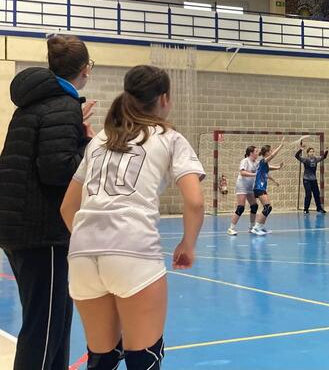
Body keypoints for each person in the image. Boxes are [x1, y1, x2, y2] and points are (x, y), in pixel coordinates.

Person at [60, 65, 205, 370]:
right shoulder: (169, 137)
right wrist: (188, 244)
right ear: (164, 99)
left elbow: (67, 207)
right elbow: (194, 201)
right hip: (132, 249)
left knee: (101, 359)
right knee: (144, 357)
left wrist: (92, 240)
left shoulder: (100, 140)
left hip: (83, 254)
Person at [0, 34, 94, 370]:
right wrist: (87, 145)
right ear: (84, 69)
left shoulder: (34, 103)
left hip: (20, 226)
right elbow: (57, 169)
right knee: (44, 327)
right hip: (41, 232)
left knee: (55, 321)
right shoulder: (63, 105)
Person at [251, 139, 285, 235]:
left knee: (268, 208)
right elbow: (272, 156)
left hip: (261, 187)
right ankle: (256, 228)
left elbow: (269, 169)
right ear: (266, 152)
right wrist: (281, 146)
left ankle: (260, 227)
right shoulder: (263, 161)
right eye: (270, 150)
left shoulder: (264, 164)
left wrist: (278, 168)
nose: (271, 152)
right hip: (259, 187)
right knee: (267, 207)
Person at [227, 146, 260, 236]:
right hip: (242, 186)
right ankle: (231, 228)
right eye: (256, 151)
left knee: (254, 206)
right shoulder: (245, 161)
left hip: (250, 187)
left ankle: (252, 227)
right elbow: (242, 173)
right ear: (251, 153)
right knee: (241, 207)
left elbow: (266, 166)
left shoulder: (256, 162)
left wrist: (277, 167)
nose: (258, 153)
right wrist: (255, 174)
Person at [295, 142, 328, 214]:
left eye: (313, 151)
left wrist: (326, 151)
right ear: (308, 153)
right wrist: (301, 149)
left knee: (317, 194)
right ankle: (306, 209)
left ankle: (319, 208)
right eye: (310, 152)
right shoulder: (305, 160)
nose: (312, 153)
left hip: (313, 180)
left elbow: (324, 157)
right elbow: (296, 156)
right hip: (306, 180)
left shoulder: (316, 159)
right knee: (308, 194)